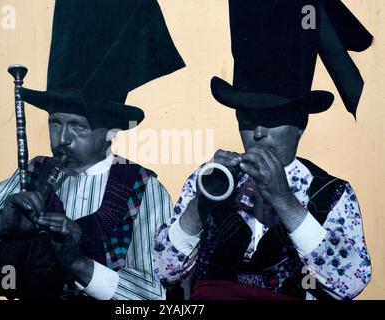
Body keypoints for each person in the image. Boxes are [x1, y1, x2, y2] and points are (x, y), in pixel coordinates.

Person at [0, 0, 185, 300]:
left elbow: (154, 294)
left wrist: (78, 264)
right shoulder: (32, 173)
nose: (62, 139)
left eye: (77, 126)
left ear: (110, 131)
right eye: (55, 123)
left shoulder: (143, 188)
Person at [153, 0, 373, 300]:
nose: (257, 133)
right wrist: (200, 206)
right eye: (247, 118)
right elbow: (164, 273)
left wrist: (284, 200)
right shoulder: (210, 179)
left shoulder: (332, 193)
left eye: (271, 120)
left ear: (300, 125)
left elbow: (350, 284)